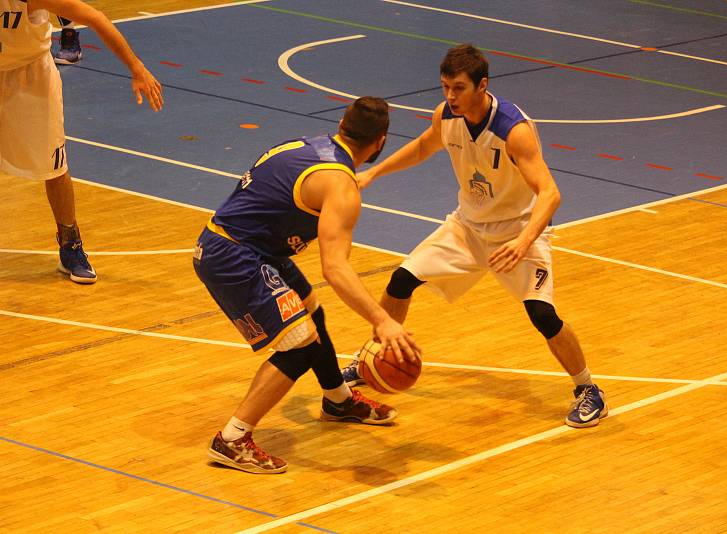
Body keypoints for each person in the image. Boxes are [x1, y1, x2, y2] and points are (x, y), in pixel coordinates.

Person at [342, 44, 608, 428]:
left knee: (542, 314)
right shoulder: (446, 115)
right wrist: (372, 173)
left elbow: (550, 194)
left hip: (518, 231)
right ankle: (376, 353)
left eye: (459, 88)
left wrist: (522, 242)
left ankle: (588, 390)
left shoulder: (512, 130)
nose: (450, 96)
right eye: (445, 87)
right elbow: (422, 148)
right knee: (400, 282)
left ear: (482, 85)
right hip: (466, 227)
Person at [194, 97, 421, 474]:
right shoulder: (342, 186)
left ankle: (338, 400)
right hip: (236, 255)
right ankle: (232, 439)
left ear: (342, 123)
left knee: (313, 311)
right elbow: (334, 267)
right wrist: (383, 320)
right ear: (381, 141)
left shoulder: (307, 146)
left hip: (250, 246)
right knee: (299, 347)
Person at [0, 0, 163, 284]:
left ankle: (70, 244)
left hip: (30, 75)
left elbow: (96, 17)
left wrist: (137, 68)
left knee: (54, 164)